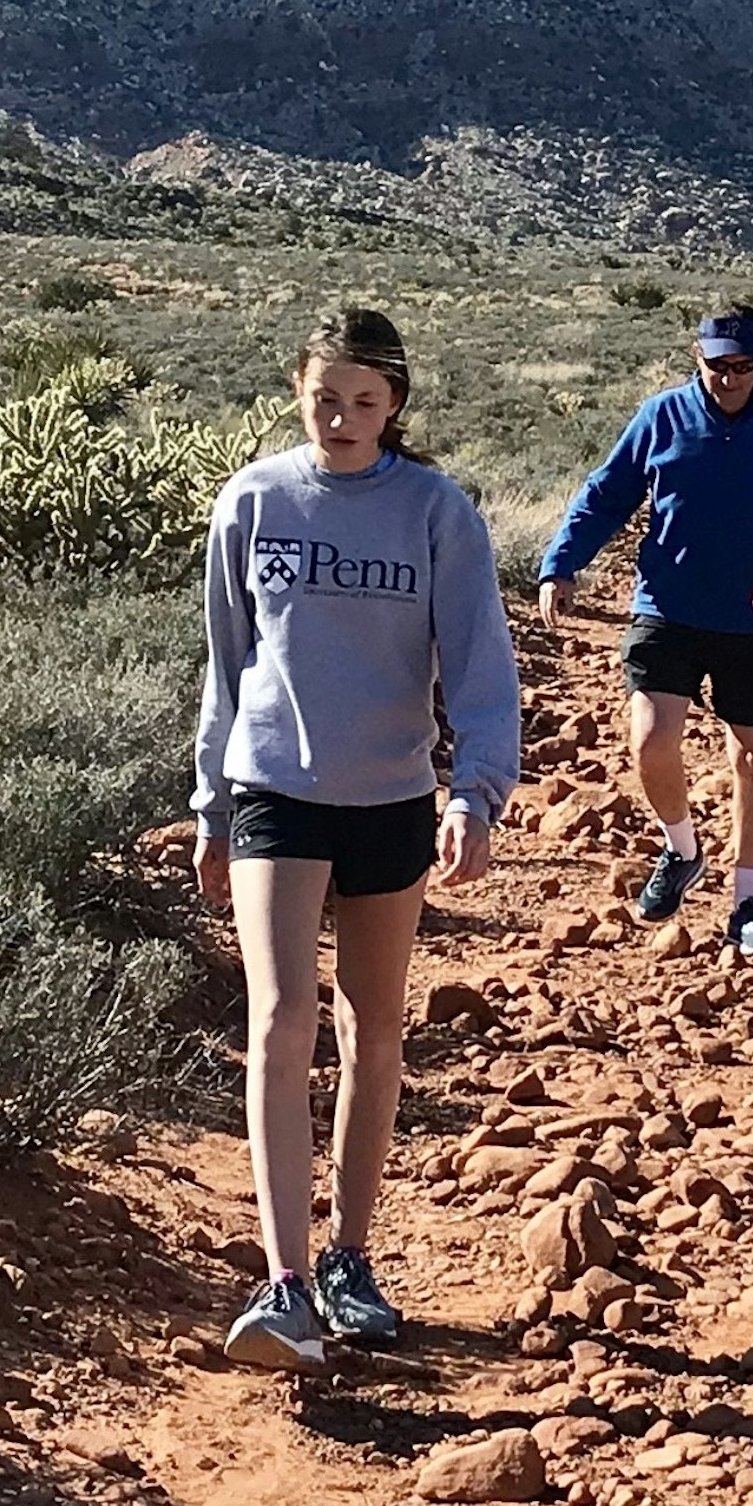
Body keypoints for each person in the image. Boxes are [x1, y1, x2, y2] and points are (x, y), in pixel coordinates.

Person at [195, 306, 521, 1374]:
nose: (340, 419)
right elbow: (227, 669)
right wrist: (209, 804)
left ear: (396, 405)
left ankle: (350, 1257)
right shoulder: (252, 501)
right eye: (324, 398)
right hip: (274, 790)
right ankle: (284, 1281)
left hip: (388, 798)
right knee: (281, 1016)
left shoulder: (435, 512)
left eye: (364, 402)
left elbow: (477, 662)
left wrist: (473, 790)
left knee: (373, 1026)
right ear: (299, 391)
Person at [538, 300, 753, 959]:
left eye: (742, 367)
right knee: (650, 740)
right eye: (718, 366)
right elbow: (606, 493)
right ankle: (683, 850)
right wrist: (561, 564)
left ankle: (747, 905)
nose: (729, 378)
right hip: (668, 605)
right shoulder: (661, 417)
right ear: (698, 357)